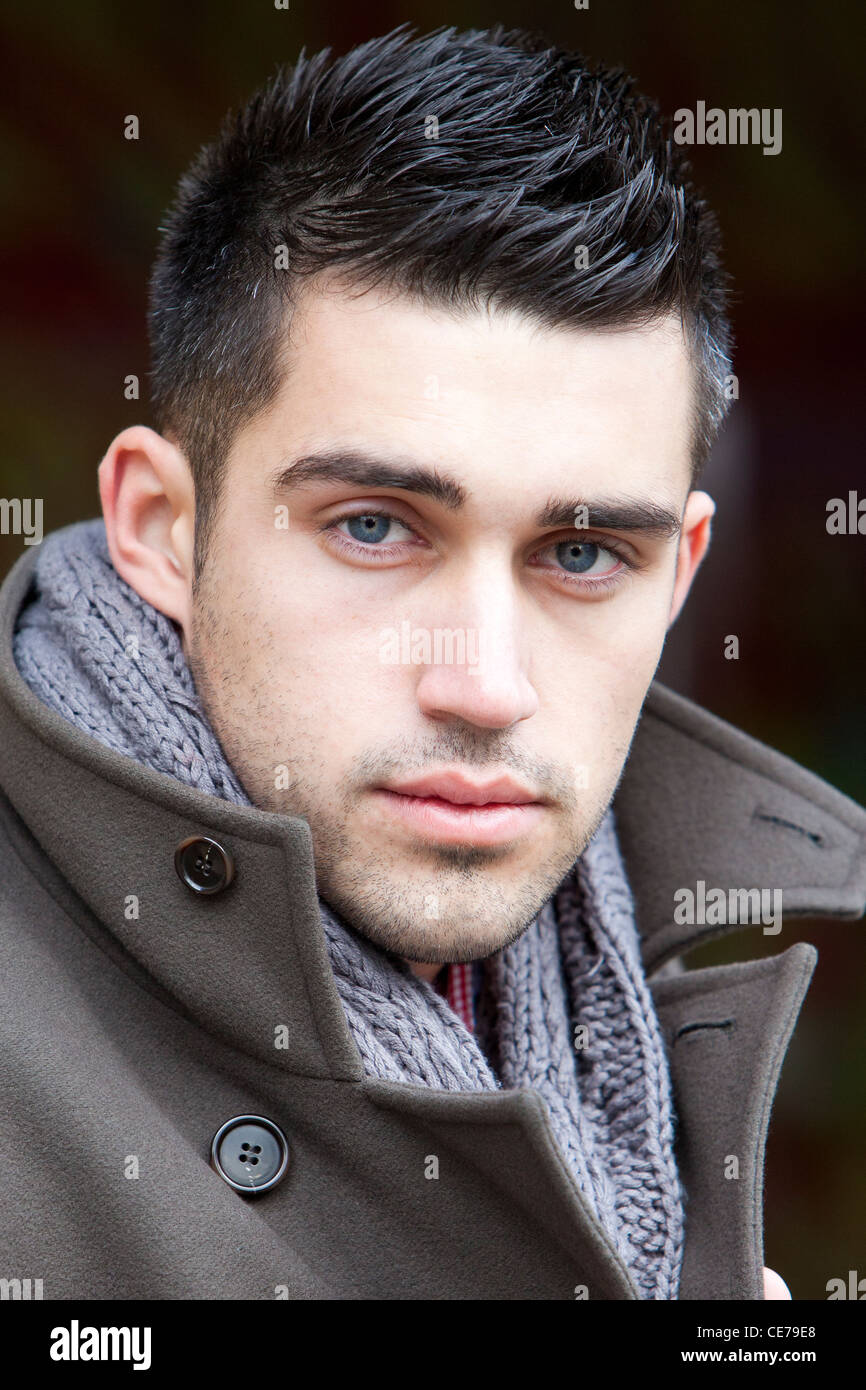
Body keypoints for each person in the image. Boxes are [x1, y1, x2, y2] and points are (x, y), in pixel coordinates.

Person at [1, 22, 863, 1302]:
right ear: (162, 530)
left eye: (581, 553)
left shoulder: (640, 1023)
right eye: (373, 527)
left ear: (678, 574)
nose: (483, 684)